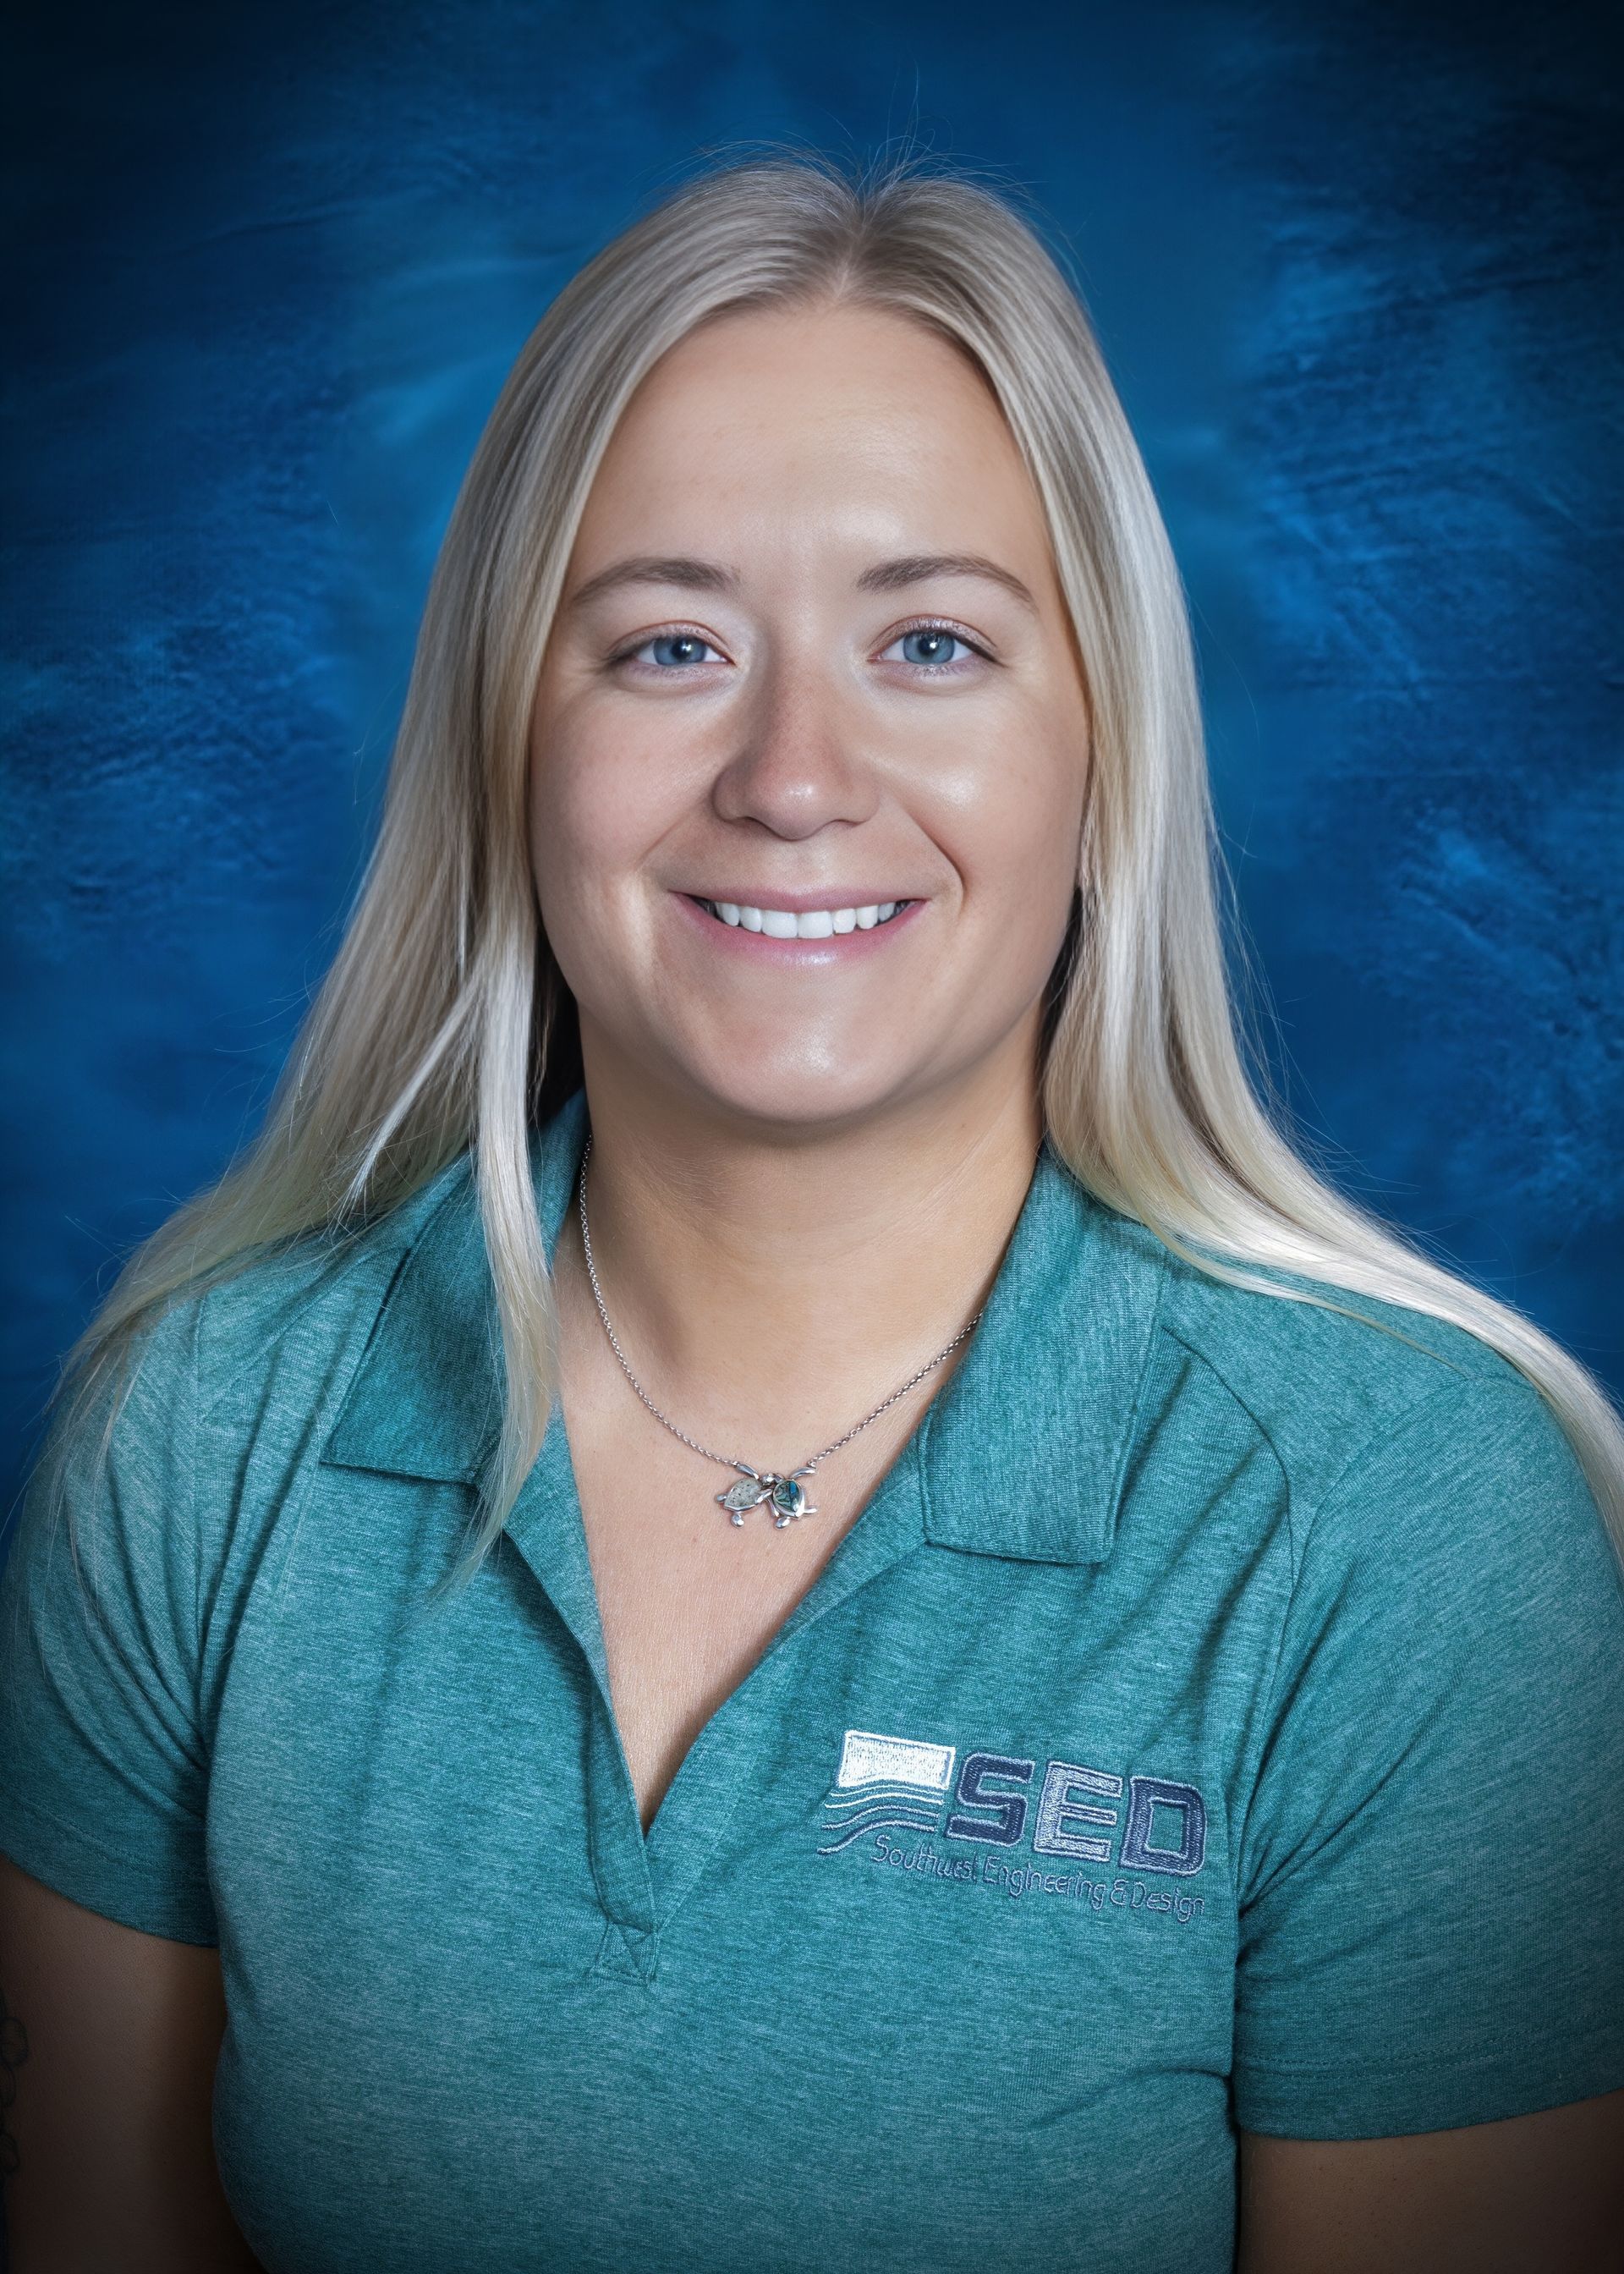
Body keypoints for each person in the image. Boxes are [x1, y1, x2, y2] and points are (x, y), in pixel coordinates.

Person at [1, 143, 1621, 2274]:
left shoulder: (1401, 1524)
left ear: (1103, 757)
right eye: (669, 645)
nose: (790, 775)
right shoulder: (205, 1433)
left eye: (932, 642)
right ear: (512, 743)